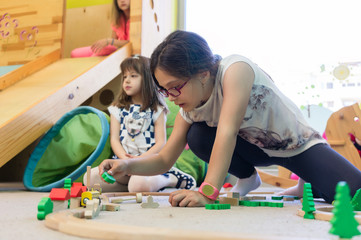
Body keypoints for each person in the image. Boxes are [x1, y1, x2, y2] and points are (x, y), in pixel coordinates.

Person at [98, 30, 361, 206]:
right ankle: (248, 178)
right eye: (164, 90)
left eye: (175, 86)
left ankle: (306, 181)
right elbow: (165, 159)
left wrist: (208, 192)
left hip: (297, 147)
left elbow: (227, 131)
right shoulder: (190, 109)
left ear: (202, 73)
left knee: (354, 193)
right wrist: (127, 165)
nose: (171, 96)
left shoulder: (235, 70)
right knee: (198, 135)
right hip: (255, 150)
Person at [84, 55, 196, 192]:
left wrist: (137, 161)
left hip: (147, 165)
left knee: (138, 184)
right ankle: (130, 186)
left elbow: (161, 143)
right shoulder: (117, 108)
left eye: (133, 76)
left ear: (147, 78)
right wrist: (124, 159)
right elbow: (114, 139)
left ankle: (171, 178)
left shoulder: (156, 109)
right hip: (121, 163)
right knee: (90, 178)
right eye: (124, 77)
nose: (127, 81)